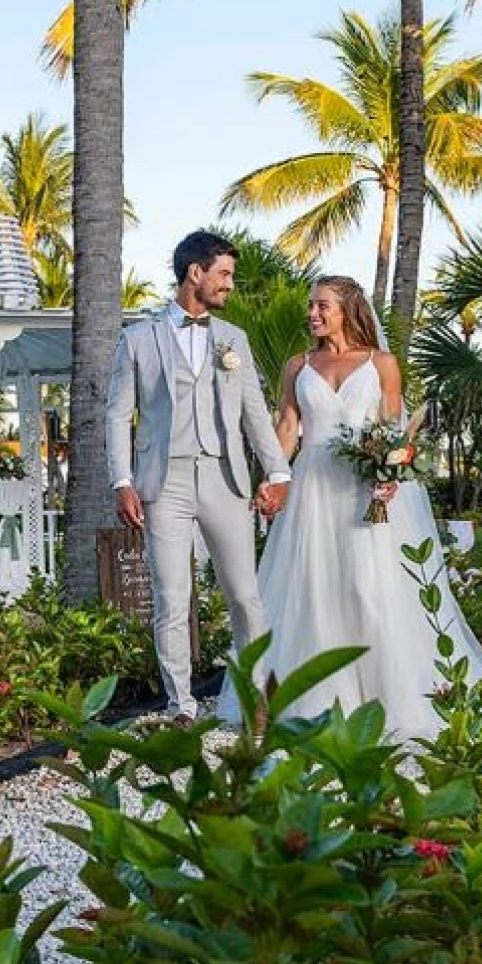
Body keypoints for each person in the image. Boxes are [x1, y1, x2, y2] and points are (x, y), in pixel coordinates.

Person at [232, 275, 482, 742]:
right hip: (311, 487)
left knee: (368, 586)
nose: (312, 313)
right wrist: (272, 479)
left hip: (364, 490)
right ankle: (317, 699)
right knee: (313, 586)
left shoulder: (382, 364)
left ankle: (386, 695)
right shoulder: (297, 365)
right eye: (310, 305)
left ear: (348, 309)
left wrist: (392, 475)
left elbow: (396, 432)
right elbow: (288, 428)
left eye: (321, 305)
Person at [106, 231, 291, 721]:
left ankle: (255, 701)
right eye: (224, 274)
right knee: (172, 596)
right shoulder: (137, 339)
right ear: (196, 273)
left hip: (224, 478)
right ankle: (181, 705)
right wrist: (121, 481)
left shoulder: (235, 340)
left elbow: (255, 412)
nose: (230, 284)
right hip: (162, 483)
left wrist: (277, 471)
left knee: (245, 595)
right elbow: (117, 415)